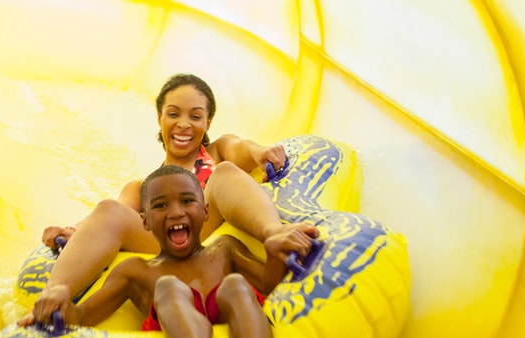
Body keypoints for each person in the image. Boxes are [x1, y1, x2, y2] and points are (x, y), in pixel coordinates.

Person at [21, 165, 314, 338]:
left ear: (205, 210)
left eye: (187, 201)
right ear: (145, 221)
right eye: (160, 206)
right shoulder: (137, 270)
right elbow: (83, 317)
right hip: (173, 323)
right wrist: (62, 303)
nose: (175, 212)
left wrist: (275, 255)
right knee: (169, 287)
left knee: (236, 285)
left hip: (227, 310)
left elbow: (269, 287)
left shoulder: (224, 249)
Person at [35, 73, 317, 320]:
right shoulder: (144, 187)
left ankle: (274, 232)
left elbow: (241, 147)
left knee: (225, 173)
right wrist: (73, 230)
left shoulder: (217, 152)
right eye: (173, 114)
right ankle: (54, 296)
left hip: (210, 224)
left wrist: (260, 153)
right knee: (110, 208)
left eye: (195, 116)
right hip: (167, 243)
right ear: (159, 118)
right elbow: (113, 214)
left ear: (208, 122)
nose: (183, 124)